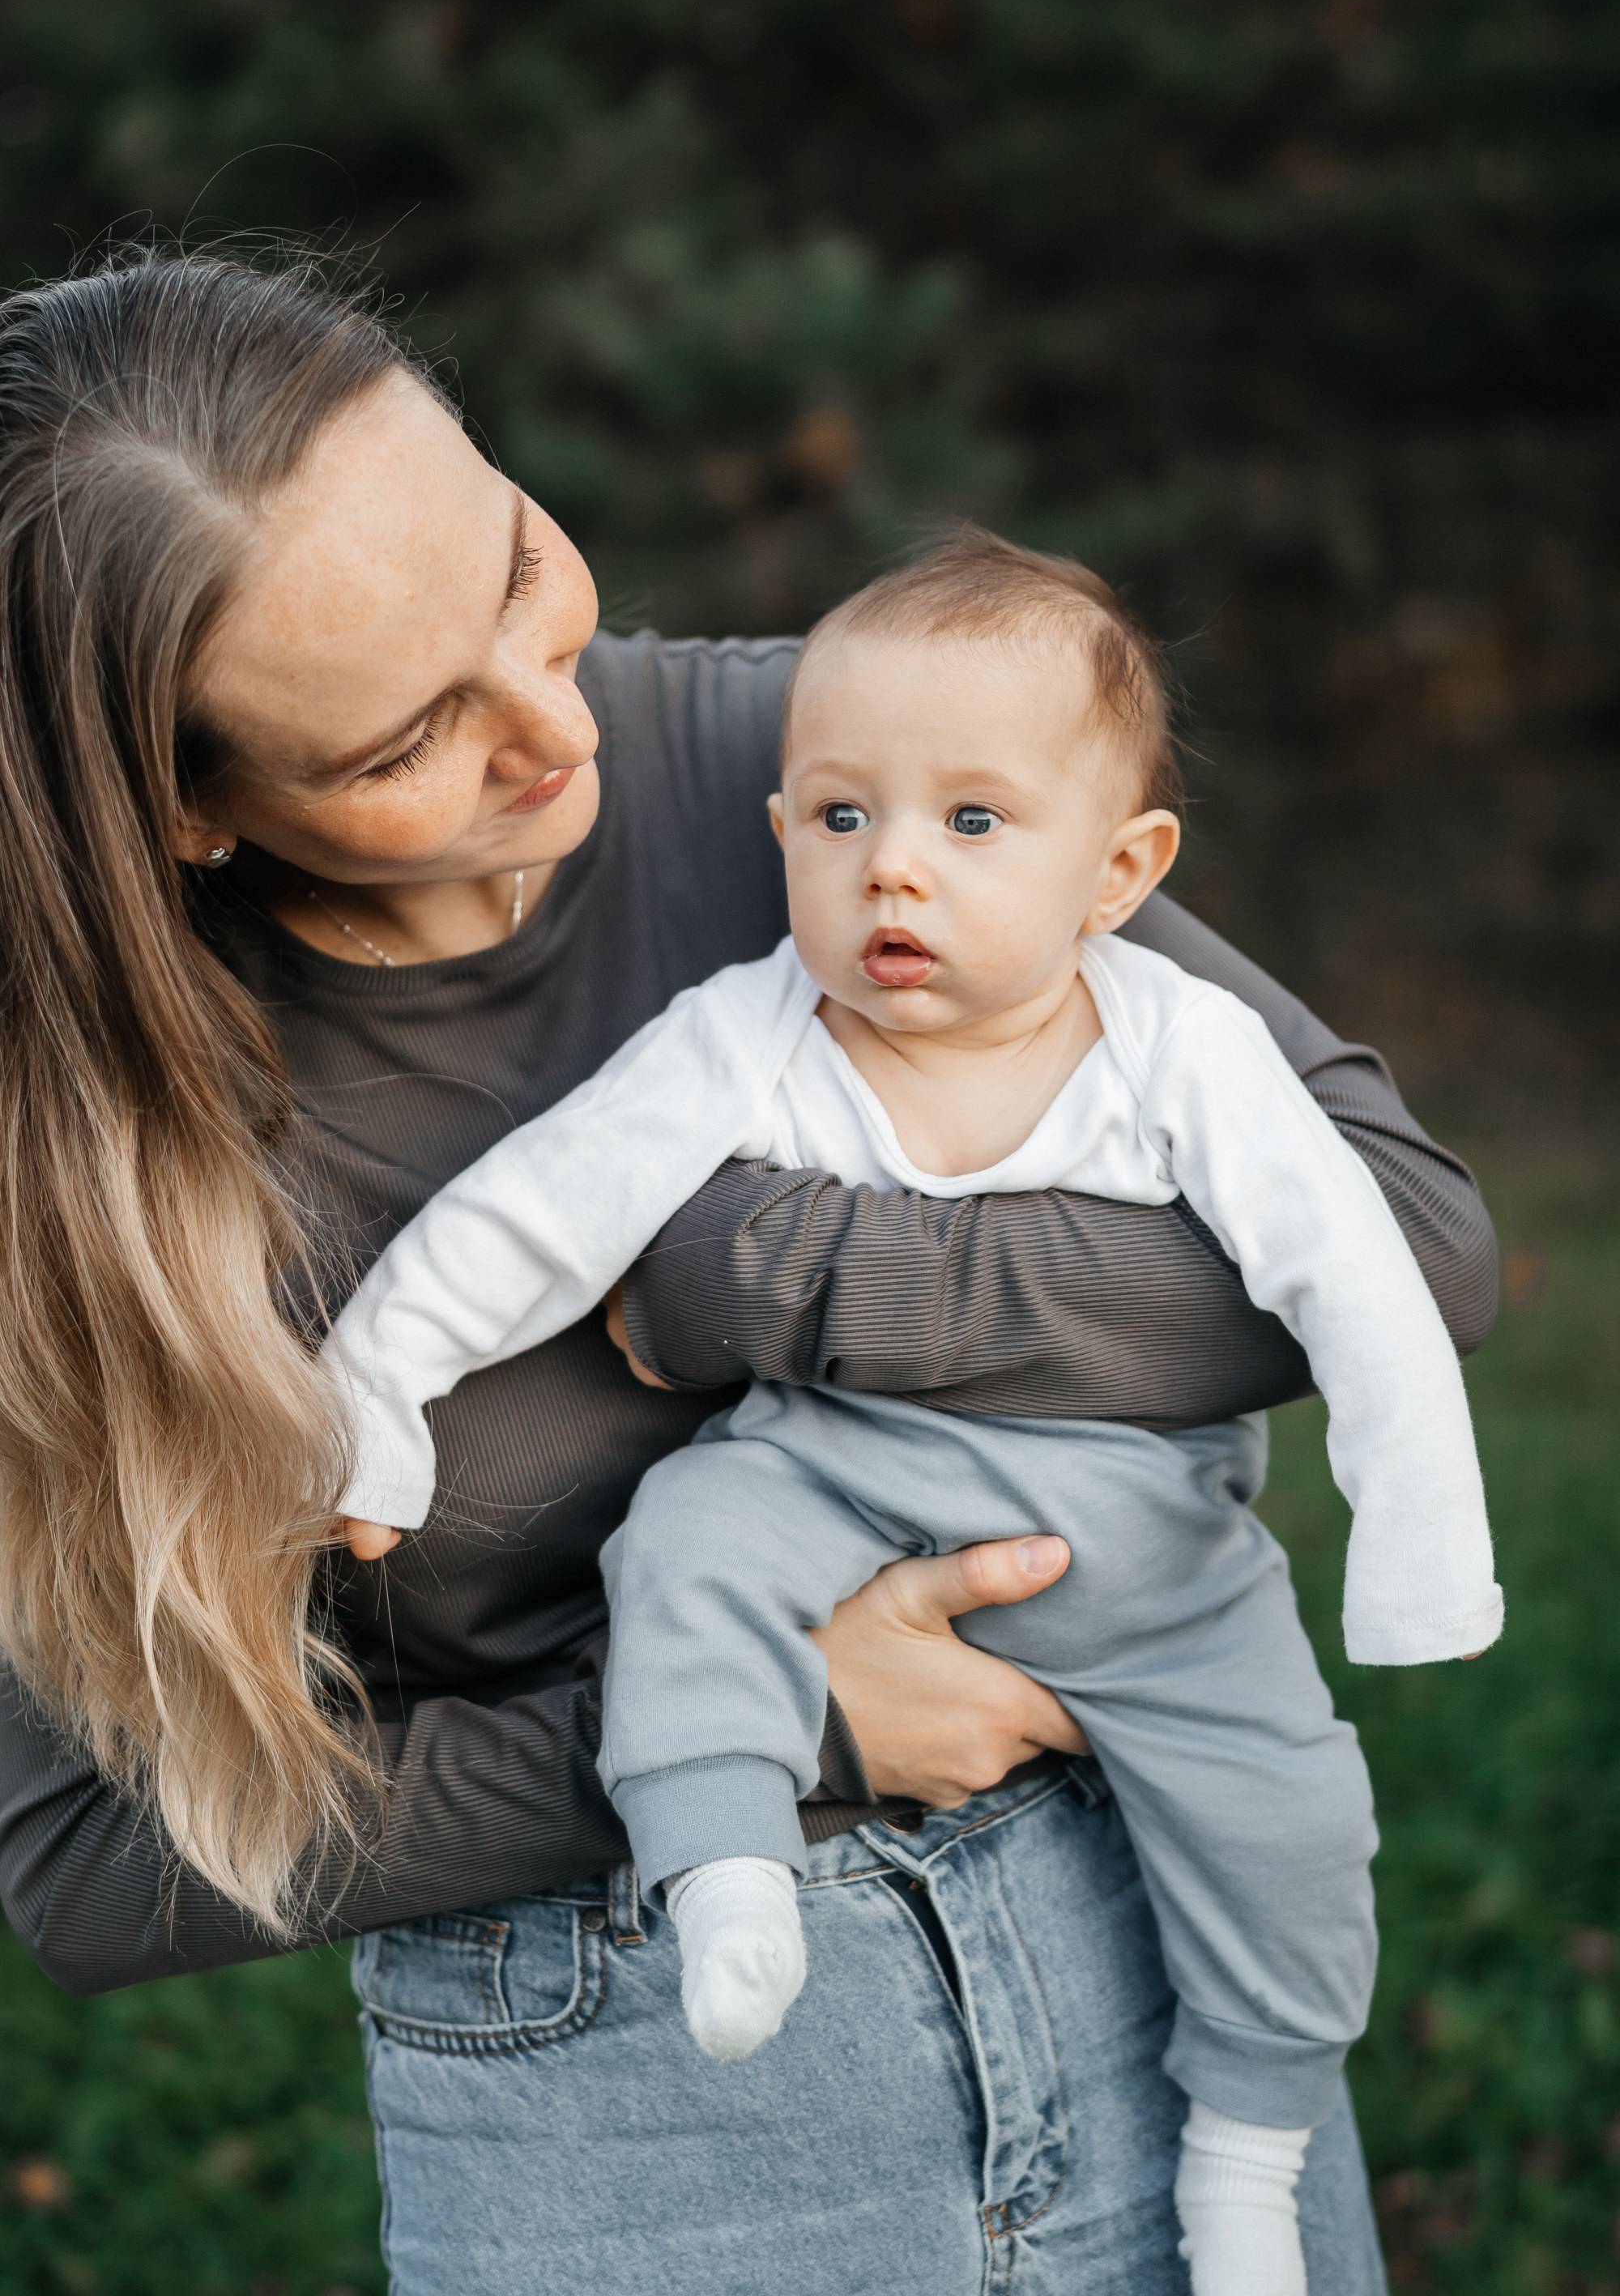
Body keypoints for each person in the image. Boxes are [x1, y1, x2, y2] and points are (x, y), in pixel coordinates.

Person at [0, 253, 1495, 2296]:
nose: (550, 723)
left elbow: (1401, 1241)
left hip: (1153, 1955)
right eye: (404, 736)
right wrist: (763, 1714)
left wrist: (761, 1273)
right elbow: (90, 1867)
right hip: (643, 2113)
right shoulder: (59, 1164)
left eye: (517, 567)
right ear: (180, 807)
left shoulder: (824, 769)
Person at [327, 531, 1502, 2296]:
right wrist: (380, 1391)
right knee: (692, 1552)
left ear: (1119, 871)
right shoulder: (752, 1027)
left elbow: (1362, 1279)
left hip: (1131, 1518)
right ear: (781, 826)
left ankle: (1250, 2149)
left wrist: (1418, 1549)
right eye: (838, 818)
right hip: (826, 1466)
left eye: (972, 825)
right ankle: (723, 1871)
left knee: (1286, 1817)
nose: (894, 874)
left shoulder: (1177, 1046)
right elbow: (537, 1209)